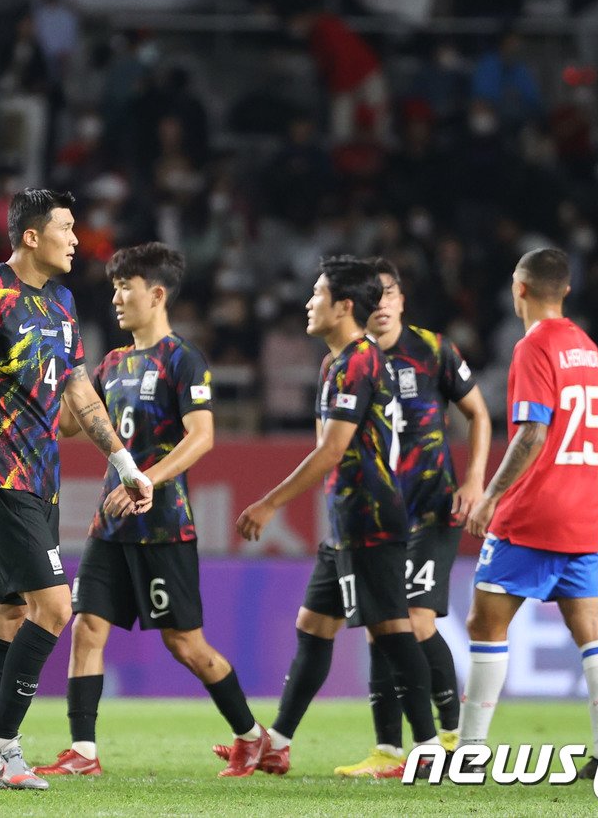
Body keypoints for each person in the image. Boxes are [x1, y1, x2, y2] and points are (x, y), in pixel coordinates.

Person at [0, 188, 153, 792]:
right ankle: (3, 750)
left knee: (8, 616)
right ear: (31, 236)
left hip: (40, 478)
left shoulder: (63, 302)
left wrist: (126, 462)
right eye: (67, 228)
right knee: (54, 609)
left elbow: (79, 392)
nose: (78, 239)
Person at [33, 243, 267, 780]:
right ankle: (83, 752)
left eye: (126, 287)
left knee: (186, 644)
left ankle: (252, 738)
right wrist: (52, 373)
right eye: (114, 286)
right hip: (110, 525)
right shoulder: (112, 363)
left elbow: (202, 436)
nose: (116, 297)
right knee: (87, 627)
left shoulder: (183, 359)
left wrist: (146, 479)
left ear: (156, 294)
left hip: (164, 526)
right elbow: (71, 424)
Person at [236, 256, 439, 778]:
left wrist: (270, 502)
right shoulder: (337, 362)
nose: (308, 302)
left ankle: (429, 751)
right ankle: (277, 743)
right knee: (314, 625)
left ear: (344, 305)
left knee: (393, 629)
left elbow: (332, 451)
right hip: (348, 519)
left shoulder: (358, 362)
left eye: (317, 293)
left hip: (371, 516)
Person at [454, 248, 598, 779]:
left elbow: (532, 432)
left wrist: (491, 495)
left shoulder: (533, 348)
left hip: (534, 511)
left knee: (485, 620)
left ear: (518, 289)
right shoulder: (587, 349)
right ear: (565, 290)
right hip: (584, 511)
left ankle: (471, 750)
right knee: (592, 629)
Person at [334, 258, 492, 778]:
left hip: (432, 509)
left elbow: (479, 414)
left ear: (402, 300)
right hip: (380, 515)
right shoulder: (353, 361)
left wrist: (474, 482)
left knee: (417, 621)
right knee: (380, 628)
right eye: (371, 297)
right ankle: (388, 750)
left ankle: (452, 736)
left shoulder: (433, 349)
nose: (380, 305)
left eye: (389, 295)